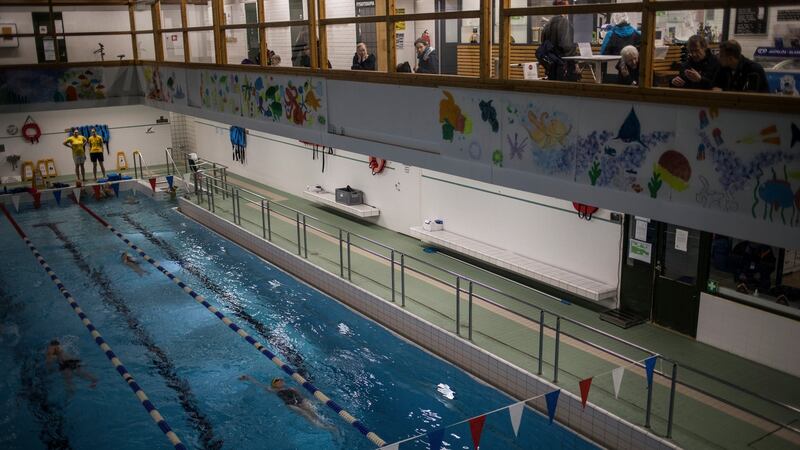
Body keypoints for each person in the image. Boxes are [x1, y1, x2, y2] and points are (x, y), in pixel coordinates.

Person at [239, 375, 334, 430]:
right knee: (306, 414)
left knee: (313, 412)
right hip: (290, 404)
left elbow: (301, 396)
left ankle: (326, 423)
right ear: (274, 384)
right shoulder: (272, 389)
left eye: (280, 380)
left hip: (300, 401)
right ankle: (325, 427)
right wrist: (248, 378)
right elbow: (259, 384)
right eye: (277, 380)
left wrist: (309, 400)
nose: (280, 381)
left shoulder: (290, 387)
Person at [540, 0, 578, 81]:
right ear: (563, 7)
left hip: (551, 67)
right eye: (568, 6)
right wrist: (576, 62)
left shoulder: (547, 24)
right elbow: (567, 46)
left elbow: (543, 45)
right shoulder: (564, 22)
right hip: (564, 67)